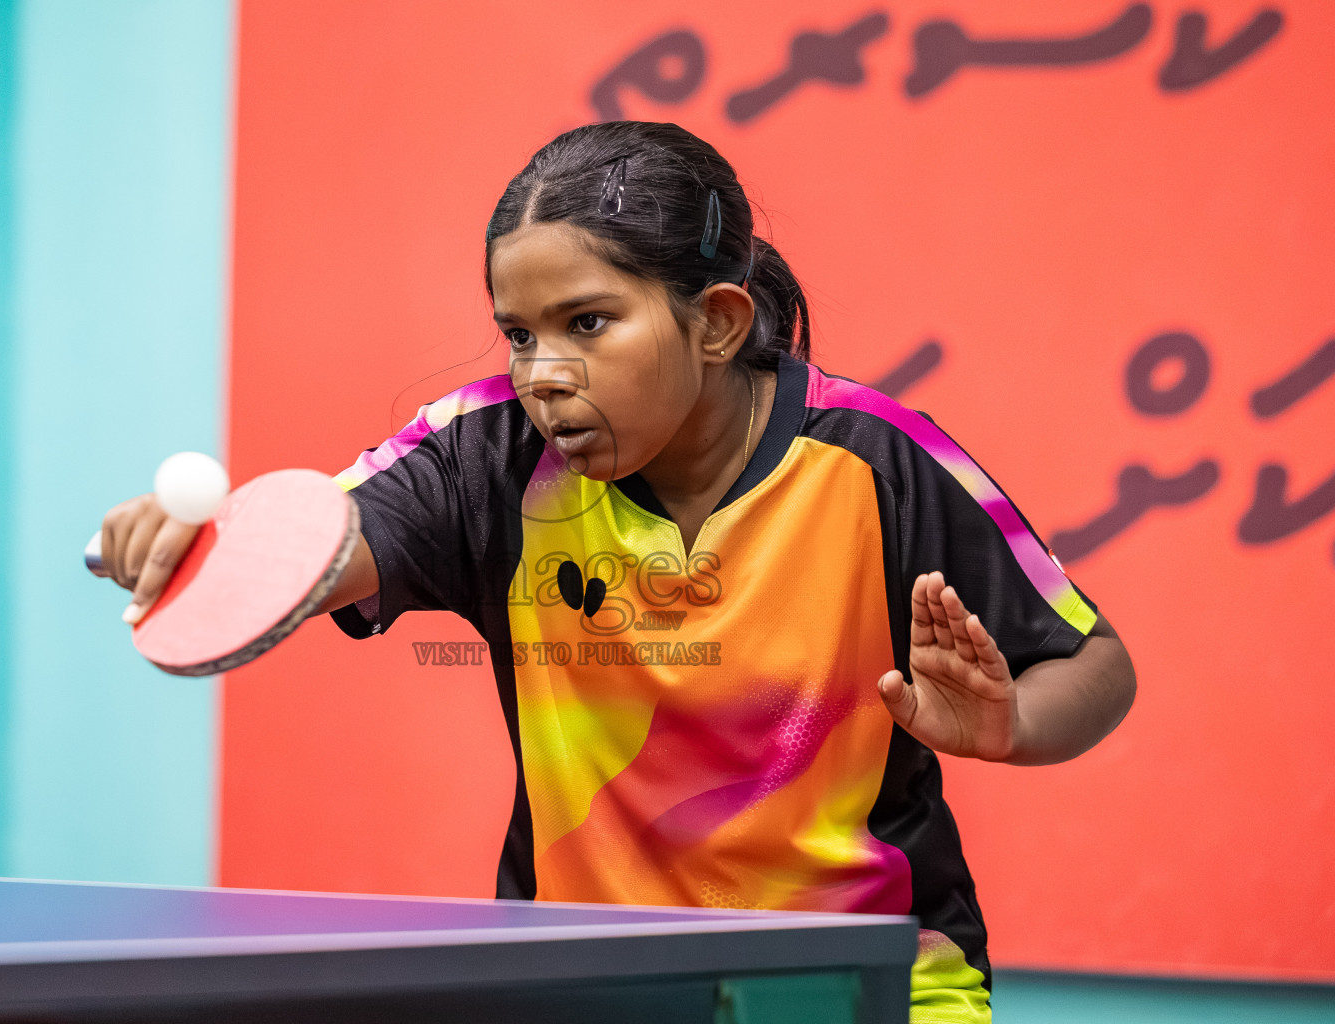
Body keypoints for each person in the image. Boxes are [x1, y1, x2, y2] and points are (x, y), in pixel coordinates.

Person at [98, 120, 1136, 1023]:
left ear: (718, 323)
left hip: (870, 974)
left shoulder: (875, 456)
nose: (543, 372)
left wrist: (1011, 727)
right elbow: (327, 545)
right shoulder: (483, 453)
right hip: (579, 980)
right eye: (519, 332)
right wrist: (207, 552)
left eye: (587, 324)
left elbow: (1093, 663)